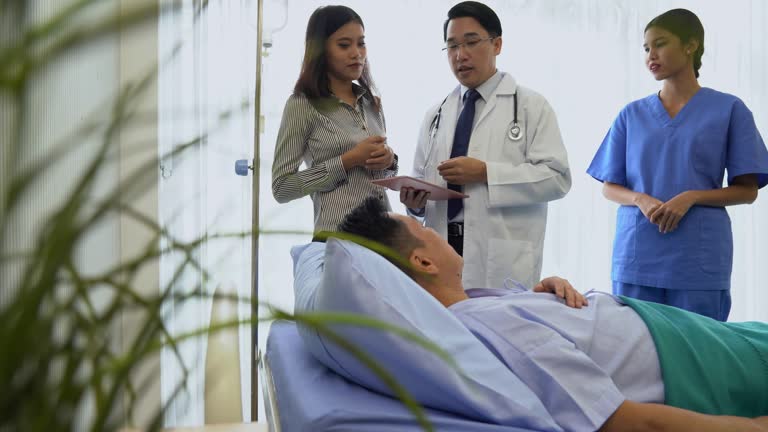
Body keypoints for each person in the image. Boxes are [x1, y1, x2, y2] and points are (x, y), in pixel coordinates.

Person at [336, 197, 768, 432]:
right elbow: (625, 421)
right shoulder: (490, 329)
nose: (435, 230)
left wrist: (543, 298)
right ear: (424, 263)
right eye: (425, 230)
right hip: (693, 359)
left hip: (679, 333)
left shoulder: (476, 309)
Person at [587, 8, 768, 321]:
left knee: (699, 351)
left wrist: (692, 196)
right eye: (646, 48)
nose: (651, 55)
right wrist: (639, 199)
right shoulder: (632, 114)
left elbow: (747, 191)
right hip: (638, 252)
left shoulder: (729, 110)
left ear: (690, 45)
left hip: (697, 256)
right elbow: (609, 187)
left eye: (660, 44)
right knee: (635, 350)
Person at [401, 1, 571, 291]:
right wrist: (415, 205)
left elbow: (558, 178)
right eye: (452, 46)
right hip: (442, 250)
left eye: (471, 42)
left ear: (497, 44)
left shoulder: (531, 106)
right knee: (443, 333)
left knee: (497, 333)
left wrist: (486, 173)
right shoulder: (436, 114)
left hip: (501, 257)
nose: (460, 55)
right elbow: (422, 181)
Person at [271, 5, 398, 234]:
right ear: (320, 51)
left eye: (361, 43)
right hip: (338, 238)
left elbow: (382, 176)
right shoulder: (302, 104)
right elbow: (282, 188)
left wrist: (389, 161)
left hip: (386, 238)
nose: (356, 53)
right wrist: (347, 160)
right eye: (344, 45)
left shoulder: (371, 102)